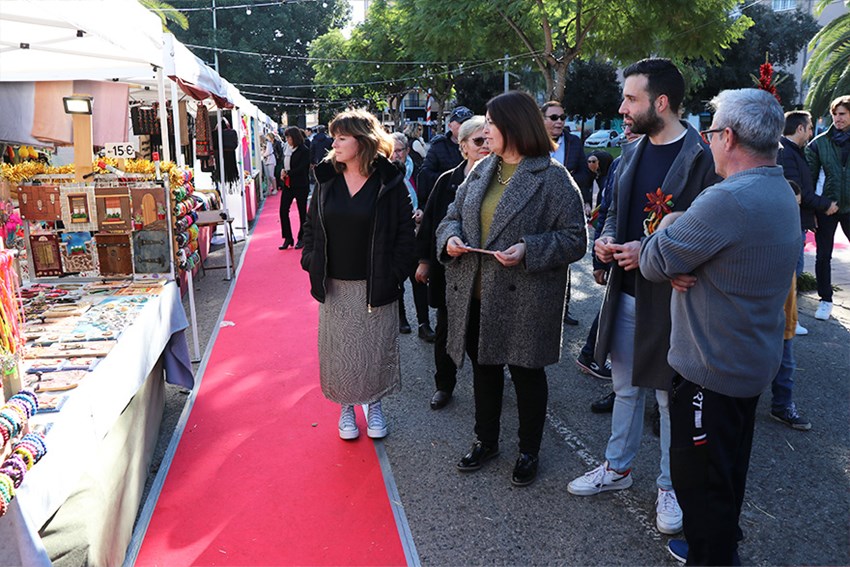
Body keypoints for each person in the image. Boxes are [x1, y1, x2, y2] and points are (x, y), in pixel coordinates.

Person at [640, 88, 800, 565]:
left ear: (728, 137)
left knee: (701, 485)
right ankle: (720, 542)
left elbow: (653, 262)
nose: (707, 140)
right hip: (750, 362)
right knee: (726, 472)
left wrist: (671, 222)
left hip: (711, 372)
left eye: (710, 131)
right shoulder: (779, 188)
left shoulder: (726, 200)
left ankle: (713, 553)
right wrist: (684, 230)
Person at [567, 58, 718, 537]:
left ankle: (670, 486)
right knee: (625, 388)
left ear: (662, 102)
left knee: (669, 398)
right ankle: (617, 467)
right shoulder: (631, 152)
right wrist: (607, 239)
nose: (622, 108)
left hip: (675, 301)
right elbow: (615, 210)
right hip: (627, 293)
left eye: (631, 99)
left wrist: (656, 254)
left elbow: (711, 232)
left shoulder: (703, 158)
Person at [436, 91, 586, 487]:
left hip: (526, 299)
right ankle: (486, 441)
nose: (485, 130)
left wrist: (529, 249)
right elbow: (451, 216)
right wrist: (450, 238)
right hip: (477, 295)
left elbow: (576, 239)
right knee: (484, 372)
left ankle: (528, 450)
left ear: (514, 126)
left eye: (491, 123)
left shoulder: (552, 177)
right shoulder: (483, 169)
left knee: (526, 377)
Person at [300, 109, 415, 441]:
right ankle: (346, 408)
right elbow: (311, 226)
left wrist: (395, 273)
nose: (333, 144)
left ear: (362, 142)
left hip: (376, 281)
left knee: (375, 350)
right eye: (334, 137)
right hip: (334, 283)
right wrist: (311, 259)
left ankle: (375, 404)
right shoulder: (326, 178)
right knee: (341, 352)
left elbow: (405, 233)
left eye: (341, 138)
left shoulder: (389, 181)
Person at [415, 115, 489, 410]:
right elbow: (431, 224)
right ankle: (444, 385)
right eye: (478, 140)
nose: (485, 146)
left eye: (488, 139)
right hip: (450, 273)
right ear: (463, 146)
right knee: (446, 332)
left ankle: (488, 387)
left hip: (486, 275)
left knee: (483, 334)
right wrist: (424, 261)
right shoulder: (447, 180)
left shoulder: (502, 182)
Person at [576, 125, 642, 397]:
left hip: (650, 264)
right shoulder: (619, 163)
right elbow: (607, 212)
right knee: (612, 308)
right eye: (624, 125)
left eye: (633, 126)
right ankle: (594, 358)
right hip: (619, 259)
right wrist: (598, 259)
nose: (627, 130)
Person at [778, 111, 836, 335]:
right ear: (800, 128)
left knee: (794, 272)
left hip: (799, 221)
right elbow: (799, 192)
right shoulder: (787, 153)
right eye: (810, 127)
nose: (811, 132)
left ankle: (789, 320)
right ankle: (788, 321)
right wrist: (826, 204)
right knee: (792, 273)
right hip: (793, 222)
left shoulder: (794, 151)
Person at [541, 100, 589, 326]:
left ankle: (563, 308)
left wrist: (564, 182)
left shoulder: (574, 142)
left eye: (562, 117)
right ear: (542, 120)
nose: (559, 121)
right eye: (554, 117)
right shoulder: (533, 142)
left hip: (564, 208)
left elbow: (584, 175)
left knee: (563, 258)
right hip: (539, 209)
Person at [806, 95, 850, 321]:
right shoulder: (818, 143)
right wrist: (813, 210)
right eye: (835, 114)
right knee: (823, 255)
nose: (837, 118)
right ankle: (825, 300)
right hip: (827, 207)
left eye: (842, 114)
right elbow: (809, 180)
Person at [390, 132, 434, 341]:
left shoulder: (419, 172)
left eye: (399, 150)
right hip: (396, 235)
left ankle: (424, 323)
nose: (395, 155)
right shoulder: (385, 174)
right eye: (392, 151)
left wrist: (422, 210)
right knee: (397, 279)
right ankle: (401, 318)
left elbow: (428, 199)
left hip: (417, 233)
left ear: (407, 150)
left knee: (419, 279)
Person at [418, 106, 473, 205]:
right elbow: (425, 174)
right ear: (450, 126)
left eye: (469, 123)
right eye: (461, 123)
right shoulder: (439, 146)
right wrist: (451, 180)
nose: (466, 127)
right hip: (446, 200)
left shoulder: (482, 145)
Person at [279, 126, 310, 250]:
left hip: (300, 184)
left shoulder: (304, 150)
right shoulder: (287, 148)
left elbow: (302, 168)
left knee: (302, 212)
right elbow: (284, 163)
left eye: (289, 137)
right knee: (283, 210)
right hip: (288, 184)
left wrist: (288, 173)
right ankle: (288, 237)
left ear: (295, 137)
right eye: (286, 137)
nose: (287, 140)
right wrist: (283, 171)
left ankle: (302, 238)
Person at [261, 132, 278, 197]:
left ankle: (275, 189)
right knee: (267, 176)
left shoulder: (268, 143)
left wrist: (263, 154)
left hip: (270, 160)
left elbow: (268, 152)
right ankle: (268, 190)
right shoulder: (263, 144)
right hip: (266, 161)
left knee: (271, 175)